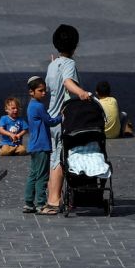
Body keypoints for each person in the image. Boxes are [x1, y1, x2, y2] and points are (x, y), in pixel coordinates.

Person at [44, 24, 92, 215]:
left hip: (51, 116)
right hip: (63, 118)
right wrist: (82, 93)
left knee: (54, 157)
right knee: (60, 159)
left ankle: (52, 196)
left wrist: (56, 64)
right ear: (75, 45)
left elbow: (49, 86)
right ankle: (54, 199)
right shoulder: (69, 64)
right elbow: (67, 82)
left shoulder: (52, 64)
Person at [23, 76, 56, 213]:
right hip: (42, 145)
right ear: (32, 92)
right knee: (42, 176)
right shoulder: (39, 106)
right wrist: (62, 116)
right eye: (40, 90)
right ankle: (41, 204)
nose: (44, 93)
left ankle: (29, 203)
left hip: (34, 145)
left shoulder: (31, 105)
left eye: (44, 90)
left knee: (33, 174)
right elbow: (50, 121)